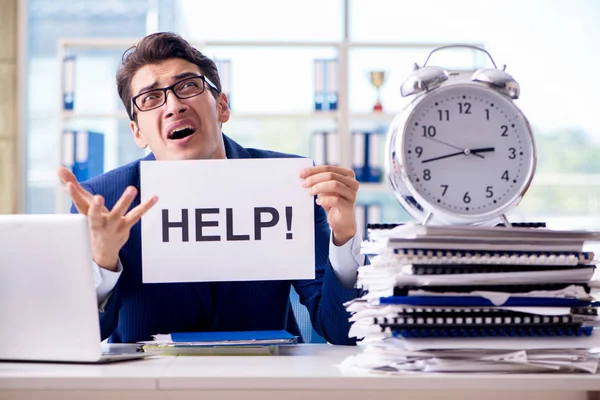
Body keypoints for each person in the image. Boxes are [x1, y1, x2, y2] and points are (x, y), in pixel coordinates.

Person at [58, 32, 364, 345]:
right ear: (138, 132)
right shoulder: (105, 202)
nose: (174, 106)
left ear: (222, 107)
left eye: (188, 86)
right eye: (151, 98)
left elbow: (343, 332)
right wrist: (104, 262)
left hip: (266, 381)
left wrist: (344, 235)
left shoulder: (290, 184)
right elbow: (78, 337)